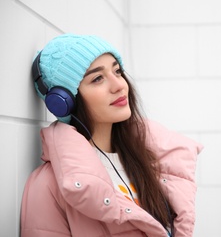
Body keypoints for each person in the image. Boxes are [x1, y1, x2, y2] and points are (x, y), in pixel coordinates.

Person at [20, 34, 203, 237]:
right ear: (63, 102)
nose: (119, 85)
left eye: (117, 71)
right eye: (97, 78)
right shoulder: (49, 185)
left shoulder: (149, 158)